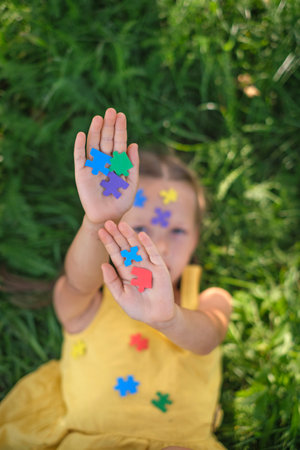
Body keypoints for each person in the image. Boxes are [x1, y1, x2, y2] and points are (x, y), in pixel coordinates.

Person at [0, 108, 232, 450]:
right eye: (141, 228)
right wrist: (97, 221)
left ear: (197, 237)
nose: (161, 245)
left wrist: (170, 318)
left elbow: (209, 336)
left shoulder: (207, 301)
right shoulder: (94, 297)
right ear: (114, 232)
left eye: (178, 230)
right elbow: (76, 285)